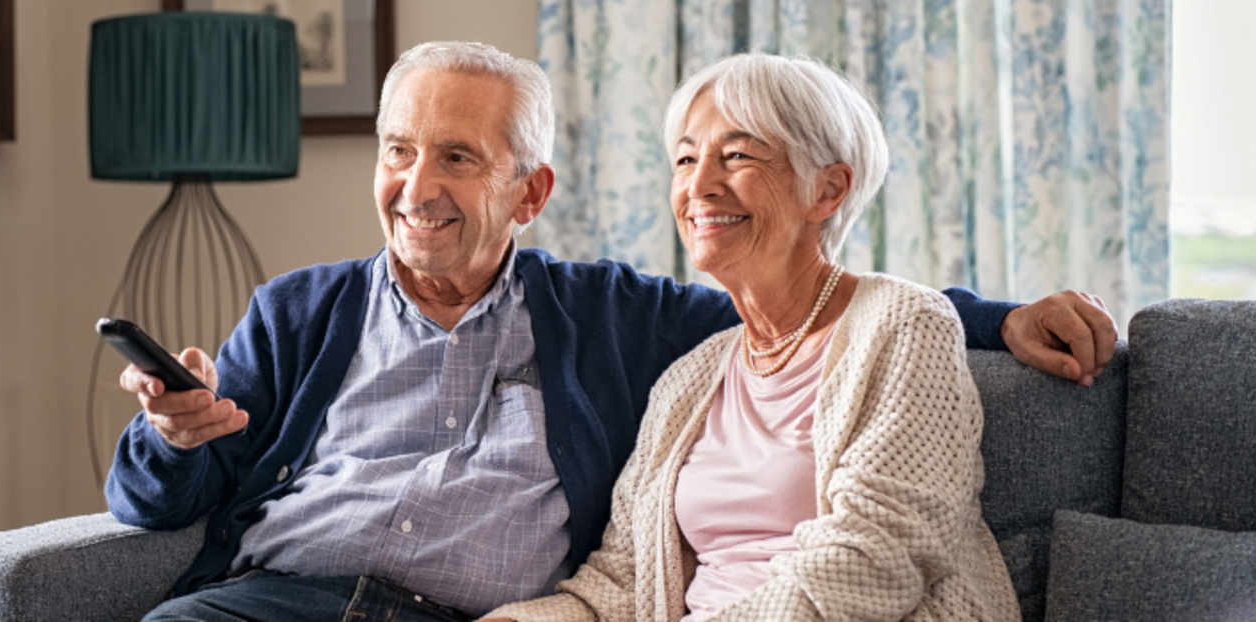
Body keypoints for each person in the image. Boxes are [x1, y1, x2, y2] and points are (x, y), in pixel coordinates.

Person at [107, 41, 1105, 622]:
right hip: (276, 602)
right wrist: (168, 435)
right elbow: (164, 498)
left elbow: (822, 304)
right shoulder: (298, 312)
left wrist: (1000, 315)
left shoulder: (618, 319)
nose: (417, 187)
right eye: (399, 151)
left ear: (529, 192)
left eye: (455, 156)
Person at [480, 54, 1019, 622]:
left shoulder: (904, 325)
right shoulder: (690, 380)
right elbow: (622, 584)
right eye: (686, 159)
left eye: (736, 156)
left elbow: (874, 561)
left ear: (828, 190)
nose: (699, 185)